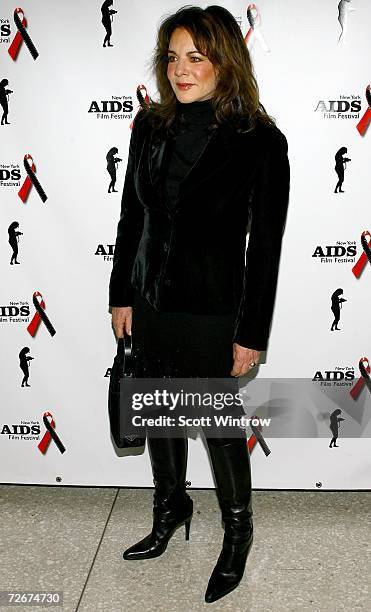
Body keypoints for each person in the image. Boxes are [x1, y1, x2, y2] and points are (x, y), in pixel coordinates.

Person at [108, 5, 290, 604]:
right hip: (152, 301)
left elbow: (264, 249)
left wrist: (251, 334)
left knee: (216, 424)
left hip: (214, 308)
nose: (181, 71)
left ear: (224, 61)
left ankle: (238, 532)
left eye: (196, 56)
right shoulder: (150, 127)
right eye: (172, 57)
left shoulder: (261, 142)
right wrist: (122, 293)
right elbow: (132, 214)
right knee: (160, 409)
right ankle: (171, 509)